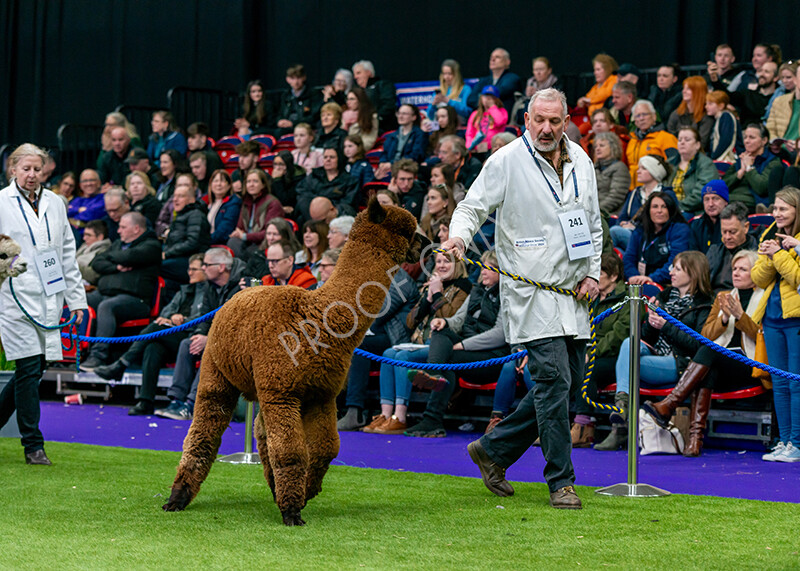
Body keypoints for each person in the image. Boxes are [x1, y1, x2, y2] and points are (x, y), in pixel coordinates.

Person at [442, 88, 603, 509]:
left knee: (562, 388)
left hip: (572, 294)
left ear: (566, 121)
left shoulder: (582, 160)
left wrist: (593, 272)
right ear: (526, 120)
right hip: (531, 294)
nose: (546, 128)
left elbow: (593, 223)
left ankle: (493, 451)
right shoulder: (507, 160)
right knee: (552, 382)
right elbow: (472, 206)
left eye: (555, 121)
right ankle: (561, 482)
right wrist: (459, 236)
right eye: (539, 120)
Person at [0, 144, 87, 464]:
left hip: (51, 295)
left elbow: (67, 253)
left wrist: (78, 301)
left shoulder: (55, 202)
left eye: (37, 169)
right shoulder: (0, 203)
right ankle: (33, 445)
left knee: (34, 370)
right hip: (13, 297)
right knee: (27, 366)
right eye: (26, 169)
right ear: (13, 170)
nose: (32, 175)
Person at [643, 250, 764, 456]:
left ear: (756, 273)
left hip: (750, 362)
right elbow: (706, 334)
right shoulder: (723, 297)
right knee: (710, 362)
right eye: (734, 268)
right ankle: (695, 440)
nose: (735, 273)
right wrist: (724, 319)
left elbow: (761, 336)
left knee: (710, 351)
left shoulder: (764, 297)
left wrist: (740, 316)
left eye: (743, 269)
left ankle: (670, 404)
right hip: (720, 361)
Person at [600, 251, 713, 450]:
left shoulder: (704, 304)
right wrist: (650, 323)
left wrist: (665, 326)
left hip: (681, 363)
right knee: (630, 342)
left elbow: (698, 347)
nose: (671, 272)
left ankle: (620, 424)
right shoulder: (665, 296)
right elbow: (647, 337)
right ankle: (622, 404)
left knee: (630, 362)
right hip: (657, 354)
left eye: (677, 268)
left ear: (693, 273)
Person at [403, 252, 508, 438]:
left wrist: (463, 345)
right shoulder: (476, 290)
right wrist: (445, 322)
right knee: (440, 330)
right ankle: (434, 376)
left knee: (447, 360)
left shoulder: (507, 296)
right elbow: (458, 319)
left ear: (501, 271)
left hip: (493, 357)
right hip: (466, 350)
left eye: (488, 268)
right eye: (482, 266)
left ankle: (432, 418)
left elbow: (499, 335)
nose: (482, 272)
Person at [95, 253, 208, 415]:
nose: (189, 272)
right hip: (172, 335)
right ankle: (145, 401)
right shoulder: (184, 290)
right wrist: (169, 318)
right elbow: (166, 311)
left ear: (205, 270)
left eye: (194, 269)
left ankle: (122, 364)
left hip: (190, 336)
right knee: (152, 348)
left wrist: (183, 320)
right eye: (189, 269)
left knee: (154, 330)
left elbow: (205, 317)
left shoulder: (208, 292)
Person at [155, 247, 246, 421]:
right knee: (187, 344)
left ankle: (192, 404)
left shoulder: (240, 286)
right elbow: (205, 318)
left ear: (221, 267)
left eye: (206, 265)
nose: (203, 268)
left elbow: (236, 326)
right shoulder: (210, 287)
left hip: (235, 342)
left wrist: (209, 339)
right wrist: (199, 336)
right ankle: (177, 399)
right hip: (216, 337)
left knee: (209, 347)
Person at [336, 265, 419, 431]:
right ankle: (332, 407)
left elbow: (380, 313)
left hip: (395, 336)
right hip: (373, 332)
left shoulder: (400, 278)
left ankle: (355, 411)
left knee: (360, 345)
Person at [752, 187, 800, 462]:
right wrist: (773, 255)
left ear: (796, 210)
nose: (777, 214)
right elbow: (758, 277)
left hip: (795, 319)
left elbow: (797, 278)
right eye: (775, 208)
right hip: (771, 319)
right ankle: (784, 441)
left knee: (796, 383)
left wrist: (779, 255)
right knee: (780, 384)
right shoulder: (769, 233)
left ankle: (797, 443)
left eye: (783, 209)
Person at [79, 211, 161, 371]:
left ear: (136, 229)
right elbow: (97, 262)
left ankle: (98, 356)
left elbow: (130, 256)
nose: (118, 231)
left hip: (135, 300)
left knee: (107, 307)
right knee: (78, 300)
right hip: (105, 293)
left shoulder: (152, 245)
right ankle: (74, 352)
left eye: (123, 227)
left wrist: (113, 258)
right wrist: (117, 266)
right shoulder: (118, 244)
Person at [611, 154, 677, 250]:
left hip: (654, 239)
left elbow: (668, 222)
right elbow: (622, 217)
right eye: (639, 168)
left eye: (643, 168)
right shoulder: (635, 193)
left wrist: (634, 227)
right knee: (618, 252)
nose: (638, 171)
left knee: (614, 232)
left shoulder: (667, 194)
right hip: (632, 236)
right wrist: (623, 223)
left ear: (654, 172)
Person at [624, 191, 690, 285]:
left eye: (664, 207)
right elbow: (629, 257)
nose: (659, 211)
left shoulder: (680, 229)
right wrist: (634, 277)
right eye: (655, 206)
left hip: (667, 283)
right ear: (648, 210)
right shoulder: (640, 229)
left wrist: (651, 279)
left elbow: (675, 262)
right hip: (640, 281)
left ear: (670, 210)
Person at [161, 180, 211, 287]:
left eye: (181, 196)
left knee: (155, 266)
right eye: (174, 196)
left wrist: (167, 254)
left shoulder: (196, 215)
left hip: (191, 260)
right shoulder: (181, 215)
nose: (175, 200)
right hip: (178, 257)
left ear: (191, 199)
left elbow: (192, 242)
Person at [722, 123, 780, 211]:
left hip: (750, 204)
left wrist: (749, 167)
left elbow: (761, 187)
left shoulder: (773, 162)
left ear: (764, 140)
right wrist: (740, 172)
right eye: (745, 137)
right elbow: (722, 186)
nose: (746, 141)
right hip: (728, 202)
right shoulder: (740, 161)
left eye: (751, 137)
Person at [227, 169, 283, 260]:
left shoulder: (273, 203)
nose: (251, 185)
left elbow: (268, 233)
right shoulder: (246, 202)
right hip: (248, 242)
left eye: (255, 181)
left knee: (251, 251)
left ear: (263, 184)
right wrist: (238, 233)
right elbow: (240, 227)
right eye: (248, 181)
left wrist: (245, 236)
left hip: (263, 242)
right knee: (233, 242)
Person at [667, 126, 721, 215]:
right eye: (680, 140)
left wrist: (676, 207)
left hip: (693, 212)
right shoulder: (670, 163)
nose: (682, 143)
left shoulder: (706, 164)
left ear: (697, 145)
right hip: (668, 210)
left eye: (687, 140)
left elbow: (701, 193)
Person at [295, 147, 359, 221]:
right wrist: (318, 204)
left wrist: (326, 205)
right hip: (312, 212)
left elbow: (349, 202)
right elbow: (302, 191)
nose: (328, 160)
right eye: (325, 157)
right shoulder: (314, 175)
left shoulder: (349, 180)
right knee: (302, 205)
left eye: (332, 157)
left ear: (339, 159)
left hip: (334, 213)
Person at [626, 100, 678, 188]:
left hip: (658, 190)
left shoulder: (666, 138)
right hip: (635, 191)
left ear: (654, 116)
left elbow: (674, 166)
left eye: (644, 114)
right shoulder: (632, 140)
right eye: (637, 116)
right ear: (634, 121)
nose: (641, 118)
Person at [707, 201, 758, 291]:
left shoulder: (757, 252)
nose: (727, 237)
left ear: (746, 227)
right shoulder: (714, 251)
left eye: (732, 232)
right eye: (724, 231)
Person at [714, 61, 779, 127]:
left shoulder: (779, 98)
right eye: (761, 71)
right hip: (745, 133)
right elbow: (728, 97)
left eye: (766, 72)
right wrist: (715, 81)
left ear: (776, 78)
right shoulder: (748, 94)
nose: (762, 74)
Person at [375, 104, 428, 180]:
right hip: (390, 168)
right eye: (399, 113)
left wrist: (392, 164)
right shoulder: (392, 135)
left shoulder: (420, 135)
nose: (400, 116)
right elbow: (385, 153)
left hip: (407, 169)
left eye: (404, 114)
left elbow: (415, 156)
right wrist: (382, 163)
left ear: (414, 117)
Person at [467, 48, 522, 115]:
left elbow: (498, 93)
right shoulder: (483, 80)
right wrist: (488, 102)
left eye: (497, 57)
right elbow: (470, 100)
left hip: (503, 120)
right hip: (483, 119)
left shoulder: (512, 78)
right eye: (491, 57)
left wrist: (481, 97)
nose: (492, 60)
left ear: (507, 62)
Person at [274, 64, 322, 137]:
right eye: (293, 78)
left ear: (304, 78)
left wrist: (293, 123)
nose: (296, 82)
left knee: (279, 133)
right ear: (287, 79)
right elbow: (280, 113)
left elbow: (313, 117)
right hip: (286, 127)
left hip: (304, 127)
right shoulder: (285, 95)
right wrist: (279, 121)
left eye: (298, 78)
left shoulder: (313, 94)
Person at [667, 76, 714, 149]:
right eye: (684, 88)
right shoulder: (676, 113)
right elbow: (669, 136)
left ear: (698, 92)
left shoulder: (706, 115)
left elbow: (702, 143)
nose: (683, 91)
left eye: (688, 89)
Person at [352, 59, 397, 131]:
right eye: (354, 74)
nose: (355, 77)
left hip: (382, 129)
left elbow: (388, 105)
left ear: (369, 73)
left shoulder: (383, 85)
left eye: (358, 73)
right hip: (361, 129)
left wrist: (376, 119)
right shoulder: (357, 91)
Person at [201, 169, 242, 245]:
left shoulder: (233, 203)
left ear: (229, 185)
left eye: (222, 181)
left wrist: (204, 242)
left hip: (219, 244)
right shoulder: (204, 202)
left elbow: (224, 230)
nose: (218, 184)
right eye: (215, 181)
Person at [427, 58, 473, 124]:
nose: (446, 77)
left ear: (456, 75)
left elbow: (467, 112)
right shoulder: (439, 91)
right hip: (441, 128)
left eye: (450, 74)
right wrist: (433, 105)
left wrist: (448, 101)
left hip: (458, 128)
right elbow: (430, 117)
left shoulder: (465, 89)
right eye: (444, 74)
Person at [593, 132, 630, 214]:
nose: (597, 149)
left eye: (602, 145)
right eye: (596, 146)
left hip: (610, 214)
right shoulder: (593, 167)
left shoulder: (620, 168)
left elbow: (616, 197)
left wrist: (595, 211)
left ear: (613, 147)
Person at [688, 180, 728, 253]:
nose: (710, 204)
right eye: (706, 199)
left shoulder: (735, 223)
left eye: (715, 199)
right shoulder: (696, 225)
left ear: (725, 202)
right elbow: (693, 255)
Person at [466, 86, 509, 154]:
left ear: (496, 99)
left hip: (493, 149)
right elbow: (469, 133)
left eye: (491, 97)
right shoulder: (475, 114)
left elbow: (499, 121)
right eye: (485, 96)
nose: (487, 99)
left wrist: (492, 107)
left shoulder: (502, 111)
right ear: (481, 97)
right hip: (476, 149)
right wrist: (469, 146)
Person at [68, 169, 106, 241]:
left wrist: (74, 215)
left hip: (88, 239)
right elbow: (66, 212)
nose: (88, 183)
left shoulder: (103, 199)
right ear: (80, 185)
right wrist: (79, 210)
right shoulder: (77, 200)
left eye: (92, 180)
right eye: (85, 181)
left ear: (99, 183)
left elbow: (90, 215)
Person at [705, 90, 742, 163]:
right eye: (706, 104)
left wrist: (714, 157)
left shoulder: (726, 117)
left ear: (721, 105)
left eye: (710, 104)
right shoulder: (719, 118)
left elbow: (726, 140)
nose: (706, 106)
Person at [342, 87, 379, 151]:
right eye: (347, 99)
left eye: (352, 99)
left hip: (359, 153)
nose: (348, 102)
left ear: (360, 100)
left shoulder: (371, 117)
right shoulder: (345, 115)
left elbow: (369, 141)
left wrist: (353, 150)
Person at [76, 220, 111, 285]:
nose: (84, 238)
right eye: (84, 235)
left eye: (88, 235)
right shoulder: (84, 246)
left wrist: (73, 266)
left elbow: (93, 275)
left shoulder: (104, 251)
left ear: (100, 237)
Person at [270, 150, 303, 216]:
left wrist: (277, 181)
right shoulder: (272, 178)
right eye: (275, 164)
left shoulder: (298, 178)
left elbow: (286, 201)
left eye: (281, 164)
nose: (277, 168)